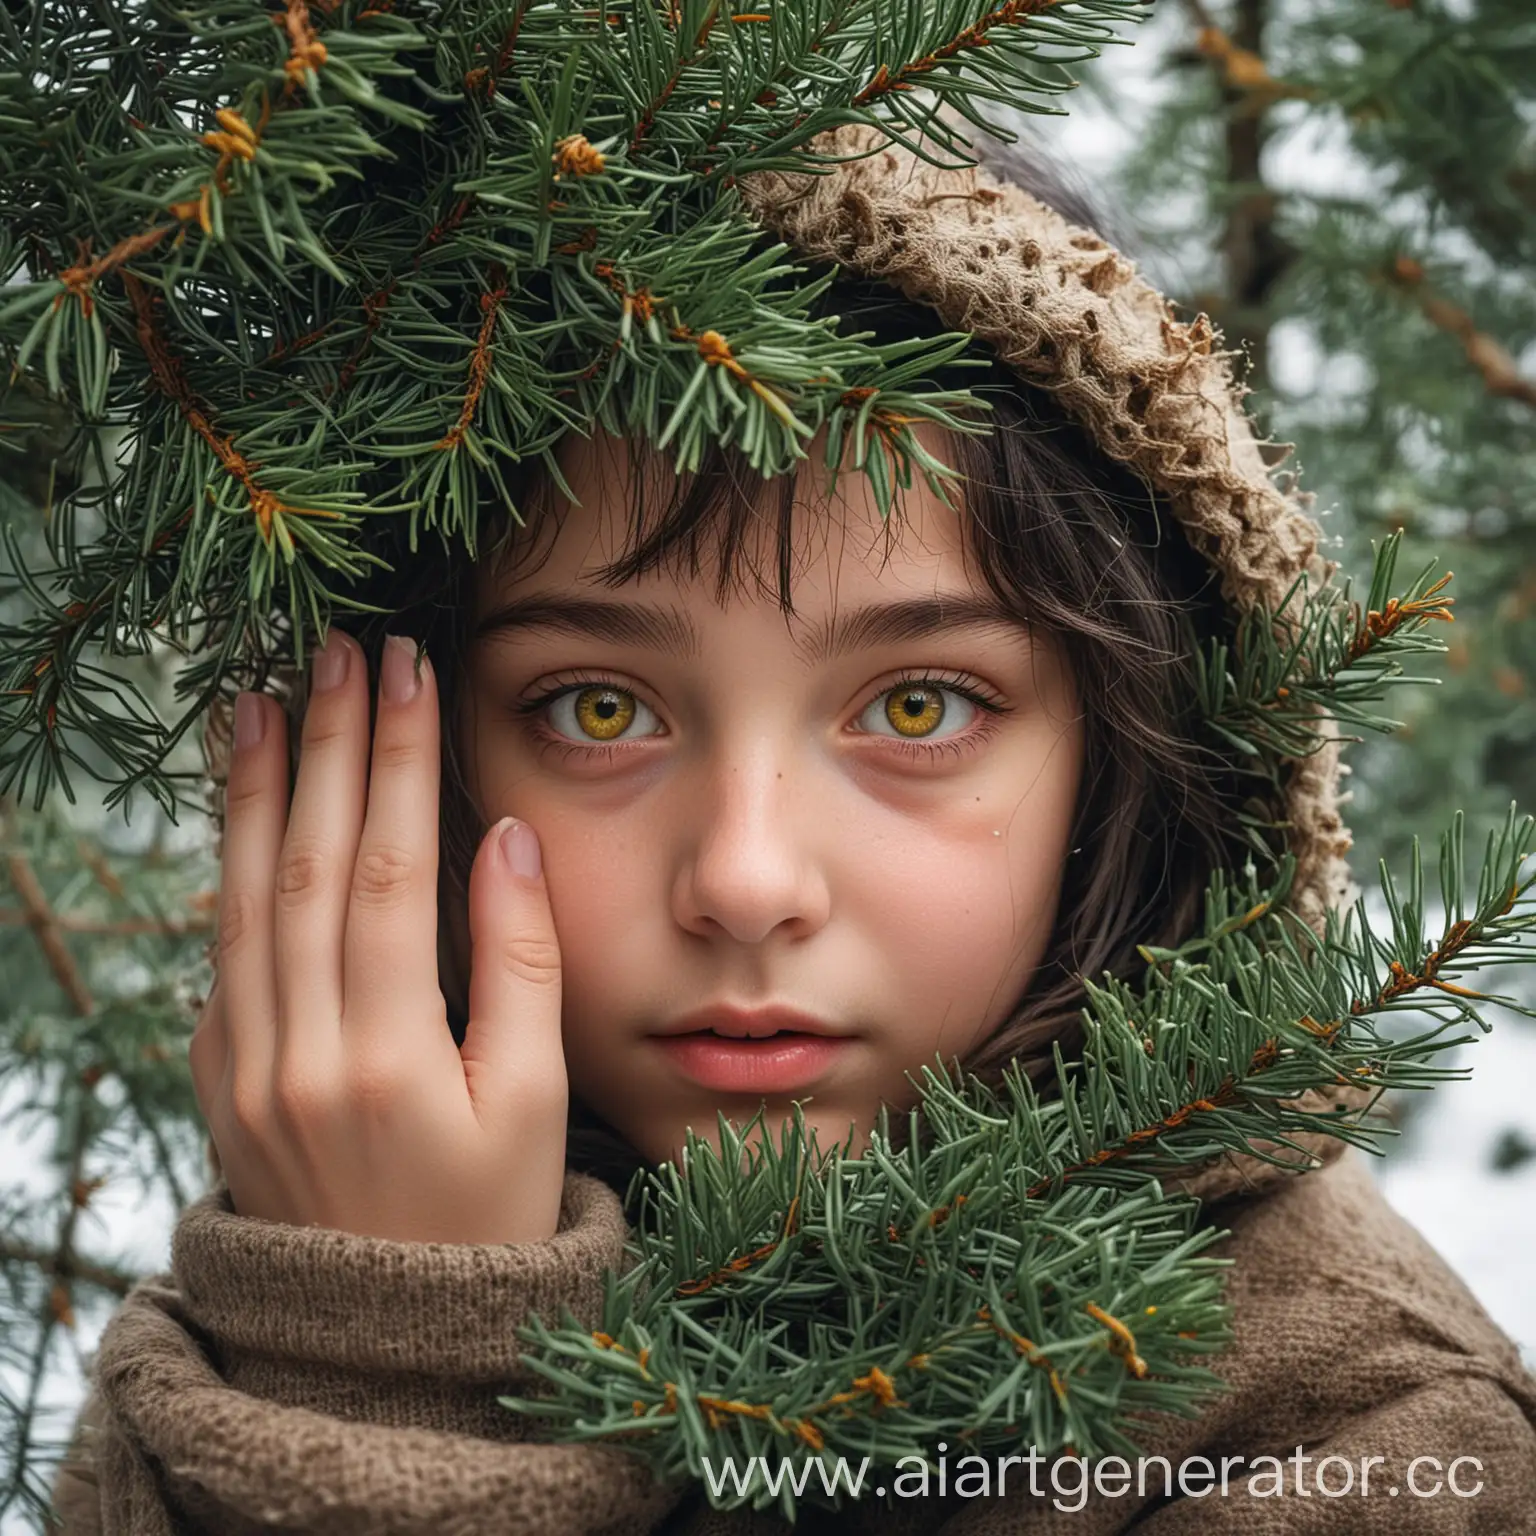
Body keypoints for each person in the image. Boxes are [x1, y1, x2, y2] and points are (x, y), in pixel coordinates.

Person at [49, 117, 1536, 1534]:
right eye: (598, 710)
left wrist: (404, 1391)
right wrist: (369, 1319)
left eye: (916, 709)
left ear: (1139, 761)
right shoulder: (256, 1319)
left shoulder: (1358, 1441)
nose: (746, 881)